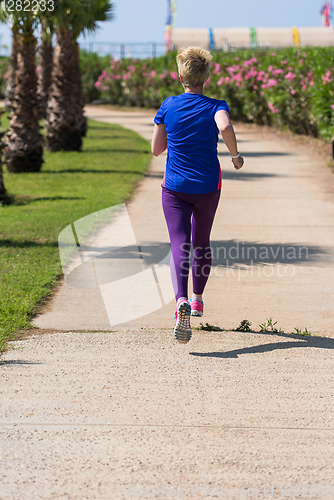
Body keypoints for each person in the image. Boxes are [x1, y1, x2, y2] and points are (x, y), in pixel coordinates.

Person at [151, 46, 244, 344]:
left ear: (180, 76)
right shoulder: (217, 104)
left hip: (175, 188)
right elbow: (225, 126)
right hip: (207, 187)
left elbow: (156, 149)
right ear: (206, 77)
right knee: (201, 240)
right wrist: (235, 155)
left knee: (180, 242)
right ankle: (198, 298)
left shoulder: (168, 105)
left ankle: (181, 302)